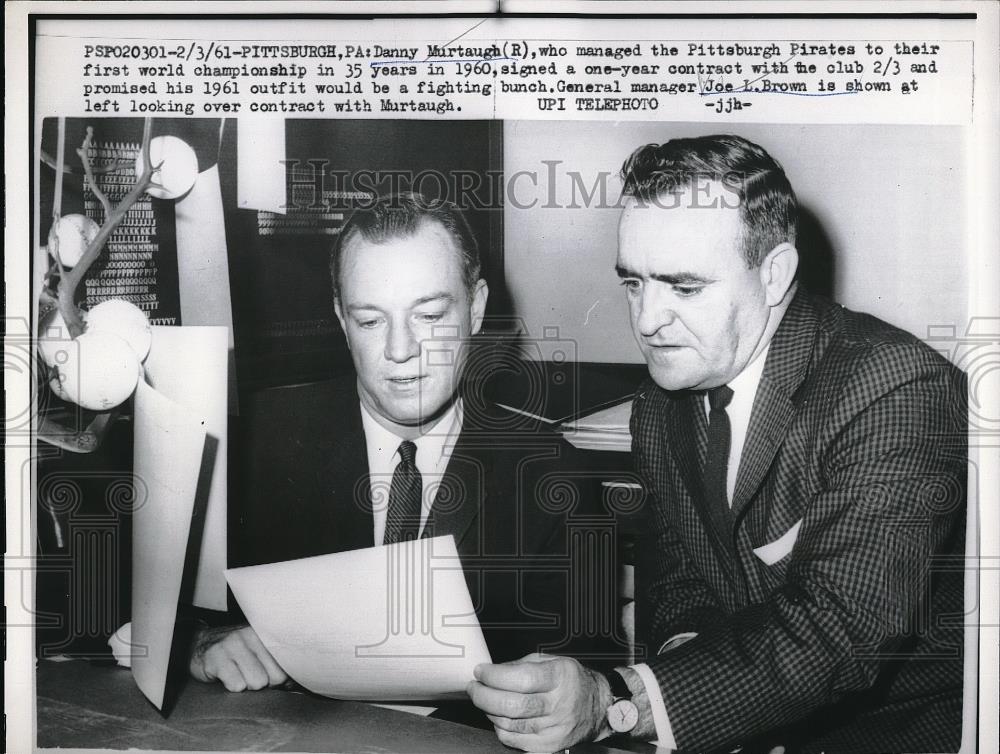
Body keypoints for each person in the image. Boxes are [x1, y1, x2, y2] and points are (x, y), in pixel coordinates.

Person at [467, 135, 966, 753]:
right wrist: (688, 682)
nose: (648, 320)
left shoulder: (895, 388)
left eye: (685, 287)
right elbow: (679, 583)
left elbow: (840, 629)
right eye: (633, 283)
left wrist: (618, 703)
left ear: (775, 273)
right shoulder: (661, 403)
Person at [188, 192, 625, 694]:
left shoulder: (556, 478)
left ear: (477, 308)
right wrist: (198, 645)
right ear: (341, 320)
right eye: (371, 321)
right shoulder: (245, 447)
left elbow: (589, 679)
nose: (400, 351)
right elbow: (127, 603)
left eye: (430, 316)